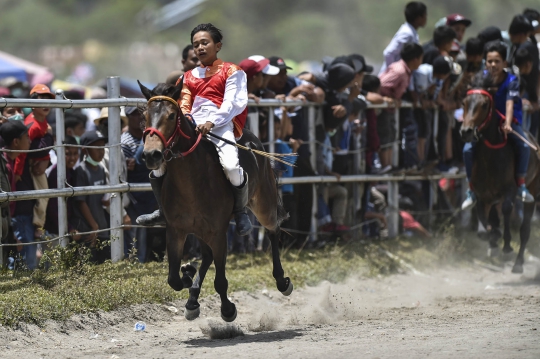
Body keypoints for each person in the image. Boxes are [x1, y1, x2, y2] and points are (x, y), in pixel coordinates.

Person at [137, 23, 253, 236]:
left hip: (220, 125)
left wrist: (212, 122)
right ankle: (163, 210)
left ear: (217, 46)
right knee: (159, 163)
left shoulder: (233, 71)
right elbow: (184, 104)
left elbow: (232, 104)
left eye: (204, 43)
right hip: (191, 125)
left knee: (230, 166)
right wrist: (189, 120)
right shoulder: (188, 77)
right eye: (196, 44)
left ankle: (240, 211)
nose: (199, 47)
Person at [462, 42, 534, 210]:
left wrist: (508, 124)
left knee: (523, 146)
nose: (493, 65)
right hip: (485, 123)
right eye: (489, 61)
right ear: (485, 62)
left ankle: (521, 184)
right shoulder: (480, 78)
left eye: (497, 61)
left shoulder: (512, 81)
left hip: (508, 122)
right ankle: (471, 190)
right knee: (467, 149)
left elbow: (509, 103)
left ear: (505, 63)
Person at [378, 42, 424, 169]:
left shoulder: (406, 72)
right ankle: (385, 166)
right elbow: (381, 84)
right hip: (383, 109)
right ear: (415, 59)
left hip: (390, 109)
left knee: (391, 135)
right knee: (385, 136)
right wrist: (385, 98)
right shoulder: (399, 71)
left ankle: (390, 165)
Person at [121, 106, 156, 262]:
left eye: (141, 114)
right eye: (133, 115)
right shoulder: (125, 142)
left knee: (147, 230)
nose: (138, 118)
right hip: (134, 195)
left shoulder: (151, 136)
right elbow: (123, 171)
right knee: (135, 231)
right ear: (127, 117)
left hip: (150, 193)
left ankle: (146, 259)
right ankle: (135, 262)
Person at [72, 131, 110, 262]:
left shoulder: (100, 169)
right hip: (88, 229)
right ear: (85, 150)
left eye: (102, 147)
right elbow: (81, 202)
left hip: (102, 227)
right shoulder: (81, 171)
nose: (101, 151)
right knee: (89, 262)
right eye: (96, 147)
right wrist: (93, 226)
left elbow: (102, 199)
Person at [0, 121, 31, 267]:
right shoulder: (5, 165)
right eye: (26, 137)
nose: (29, 140)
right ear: (16, 142)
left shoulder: (11, 163)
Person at [508, 14, 539, 136]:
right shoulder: (517, 46)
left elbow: (532, 75)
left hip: (525, 93)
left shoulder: (527, 48)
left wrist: (533, 98)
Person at [44, 136, 79, 237]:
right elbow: (53, 207)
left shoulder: (71, 172)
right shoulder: (57, 174)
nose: (72, 158)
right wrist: (69, 228)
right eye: (68, 154)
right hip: (55, 231)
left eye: (75, 153)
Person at [380, 1, 427, 73]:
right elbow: (389, 53)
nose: (426, 18)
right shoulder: (407, 34)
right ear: (418, 18)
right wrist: (393, 72)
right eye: (424, 15)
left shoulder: (413, 32)